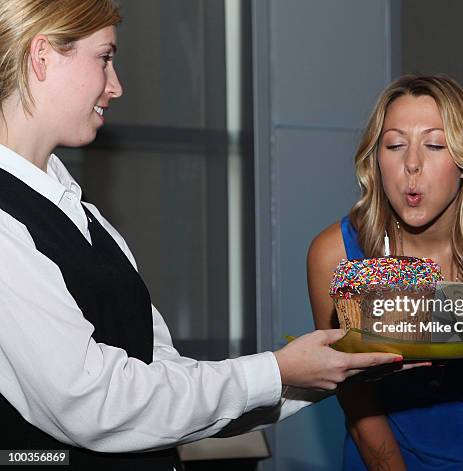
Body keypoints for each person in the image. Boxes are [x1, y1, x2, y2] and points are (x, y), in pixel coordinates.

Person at [0, 1, 407, 469]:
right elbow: (94, 404)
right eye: (105, 58)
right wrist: (276, 371)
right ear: (43, 56)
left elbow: (166, 388)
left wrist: (336, 366)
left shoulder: (82, 212)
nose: (116, 85)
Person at [308, 74, 463, 470]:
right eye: (394, 145)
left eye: (435, 144)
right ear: (375, 160)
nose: (412, 164)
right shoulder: (334, 254)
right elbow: (359, 407)